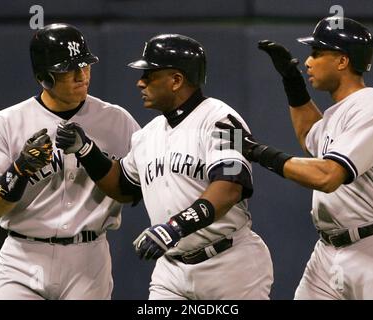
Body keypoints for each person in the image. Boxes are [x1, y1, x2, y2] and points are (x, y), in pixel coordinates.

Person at [56, 34, 274, 299]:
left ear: (176, 80)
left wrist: (174, 227)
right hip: (171, 271)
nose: (140, 82)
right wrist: (86, 151)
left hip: (230, 264)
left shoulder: (225, 120)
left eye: (149, 74)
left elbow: (230, 188)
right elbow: (124, 187)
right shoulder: (146, 135)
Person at [215, 16, 373, 299]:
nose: (308, 61)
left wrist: (256, 151)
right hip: (328, 251)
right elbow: (310, 135)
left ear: (342, 61)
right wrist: (292, 83)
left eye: (317, 53)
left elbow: (328, 176)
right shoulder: (339, 111)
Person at [0, 23, 140, 299]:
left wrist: (91, 154)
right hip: (23, 258)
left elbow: (134, 190)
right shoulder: (7, 123)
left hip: (88, 258)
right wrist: (19, 170)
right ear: (44, 77)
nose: (81, 75)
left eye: (85, 66)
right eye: (69, 70)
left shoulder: (117, 120)